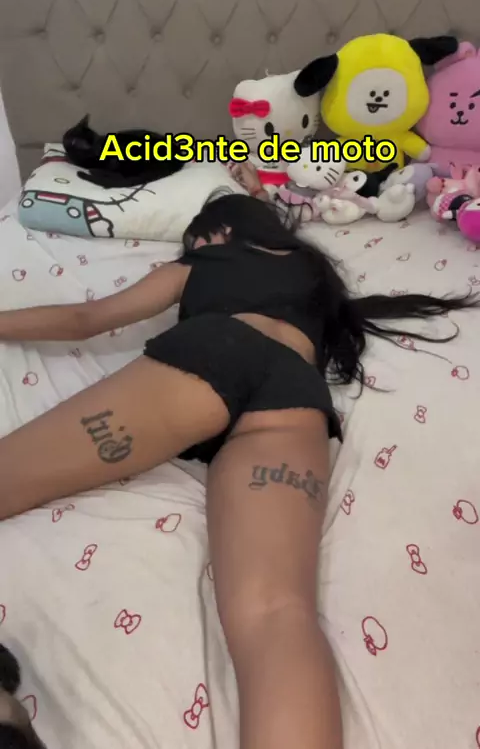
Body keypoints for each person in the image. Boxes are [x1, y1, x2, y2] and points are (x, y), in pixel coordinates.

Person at [0, 183, 477, 749]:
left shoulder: (207, 260)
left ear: (222, 230)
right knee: (277, 614)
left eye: (195, 238)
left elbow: (87, 317)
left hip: (213, 352)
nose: (191, 247)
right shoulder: (312, 273)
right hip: (296, 396)